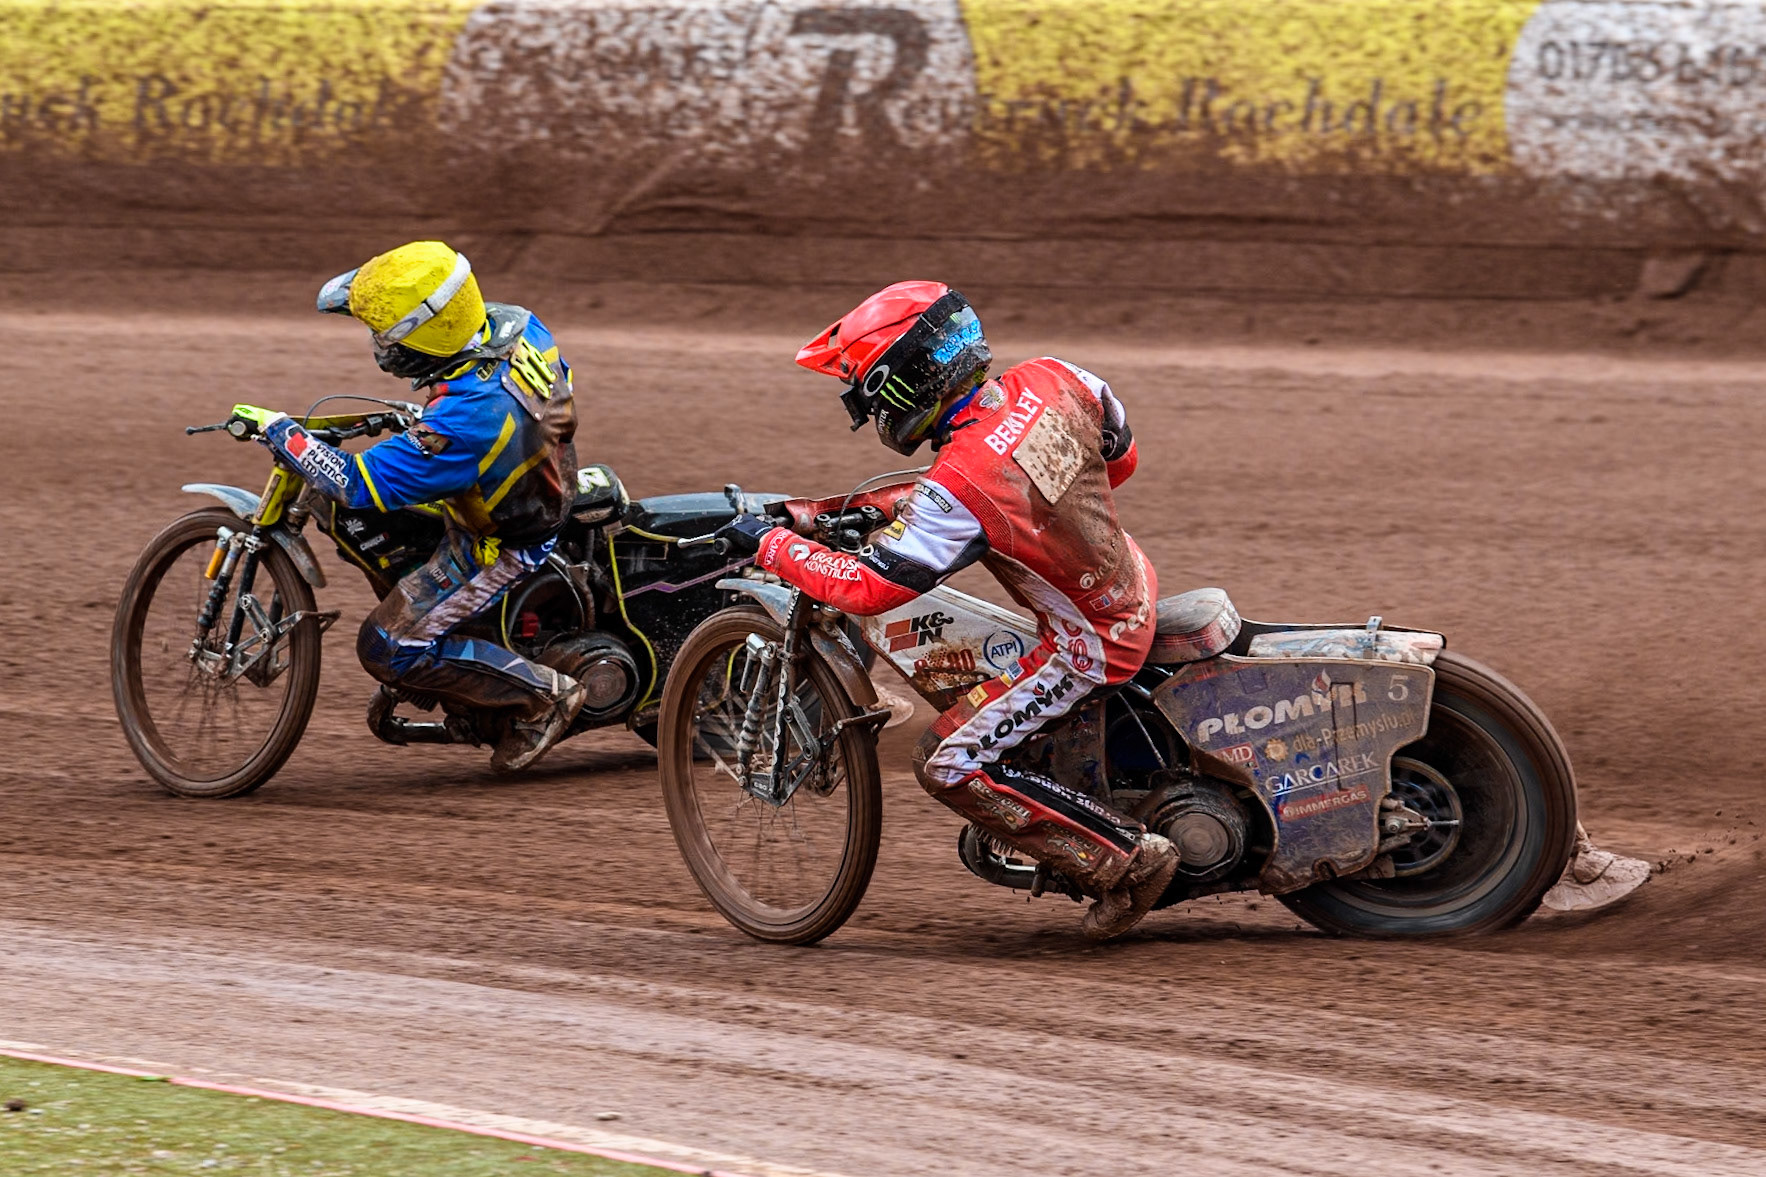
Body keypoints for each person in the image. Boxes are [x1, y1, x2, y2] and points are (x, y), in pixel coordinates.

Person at [715, 281, 1180, 940]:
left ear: (901, 383)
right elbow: (1119, 457)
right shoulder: (1054, 377)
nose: (867, 409)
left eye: (867, 392)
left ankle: (1124, 859)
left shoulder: (961, 481)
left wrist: (771, 543)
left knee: (944, 761)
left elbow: (870, 587)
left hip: (1090, 643)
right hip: (1129, 580)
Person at [229, 240, 586, 772]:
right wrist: (419, 419)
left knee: (384, 647)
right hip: (540, 473)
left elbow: (355, 484)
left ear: (425, 334)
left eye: (384, 333)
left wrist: (283, 433)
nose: (378, 342)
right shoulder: (516, 325)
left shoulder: (464, 421)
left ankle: (546, 696)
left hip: (499, 542)